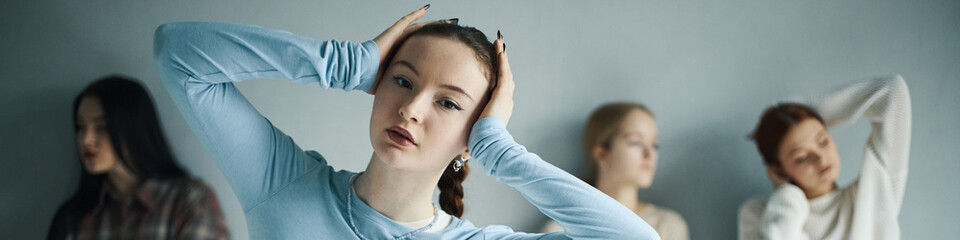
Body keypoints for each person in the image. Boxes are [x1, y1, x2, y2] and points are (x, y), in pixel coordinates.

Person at [153, 5, 657, 240]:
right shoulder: (284, 185)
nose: (412, 109)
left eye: (449, 103)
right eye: (402, 80)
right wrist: (341, 64)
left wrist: (501, 153)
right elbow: (177, 53)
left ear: (473, 136)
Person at [47, 76, 229, 239]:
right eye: (81, 127)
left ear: (132, 129)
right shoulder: (72, 218)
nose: (86, 140)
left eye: (101, 127)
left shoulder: (189, 199)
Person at [738, 75, 911, 240]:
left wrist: (796, 111)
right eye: (802, 157)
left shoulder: (872, 196)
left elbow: (891, 91)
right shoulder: (757, 215)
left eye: (822, 142)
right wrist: (788, 194)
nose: (820, 159)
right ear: (777, 169)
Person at [541, 102, 689, 239]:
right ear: (602, 155)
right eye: (636, 142)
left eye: (654, 145)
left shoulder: (667, 226)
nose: (649, 154)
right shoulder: (560, 230)